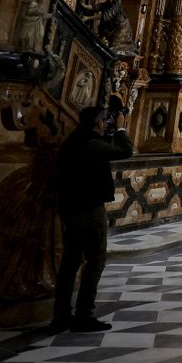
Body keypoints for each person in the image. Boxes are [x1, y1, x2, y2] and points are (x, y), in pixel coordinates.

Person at [52, 106, 133, 332]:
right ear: (99, 123)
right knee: (95, 260)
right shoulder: (91, 143)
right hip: (88, 209)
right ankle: (84, 315)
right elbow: (126, 151)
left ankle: (60, 316)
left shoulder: (72, 141)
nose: (105, 124)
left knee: (70, 263)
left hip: (70, 208)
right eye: (103, 121)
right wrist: (121, 128)